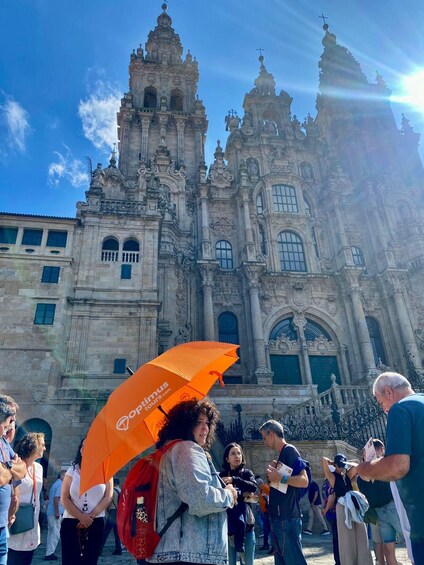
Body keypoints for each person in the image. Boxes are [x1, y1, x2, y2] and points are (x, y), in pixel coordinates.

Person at [146, 397, 238, 565]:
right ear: (185, 425)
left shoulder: (171, 451)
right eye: (198, 422)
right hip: (190, 553)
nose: (205, 428)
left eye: (207, 422)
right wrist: (229, 494)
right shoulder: (185, 449)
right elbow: (200, 499)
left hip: (179, 551)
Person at [356, 371, 424, 563]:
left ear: (389, 392)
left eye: (380, 402)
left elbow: (397, 467)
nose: (384, 409)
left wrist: (364, 469)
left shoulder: (401, 409)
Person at [259, 419, 309, 565]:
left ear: (272, 434)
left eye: (264, 437)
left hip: (286, 519)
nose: (264, 441)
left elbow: (303, 480)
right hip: (279, 519)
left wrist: (280, 477)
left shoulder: (289, 450)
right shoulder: (282, 454)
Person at [60, 438, 113, 565]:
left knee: (90, 560)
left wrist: (89, 518)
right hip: (71, 521)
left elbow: (108, 496)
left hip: (95, 522)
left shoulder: (106, 470)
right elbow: (64, 497)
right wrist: (81, 517)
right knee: (70, 561)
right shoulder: (72, 470)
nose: (86, 448)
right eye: (83, 445)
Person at [357, 439, 403, 565]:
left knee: (388, 546)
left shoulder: (362, 472)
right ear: (381, 449)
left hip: (378, 511)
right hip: (391, 507)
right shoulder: (382, 467)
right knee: (411, 540)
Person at [322, 454, 373, 565]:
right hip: (343, 507)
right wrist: (332, 462)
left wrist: (345, 462)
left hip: (353, 506)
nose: (342, 468)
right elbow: (323, 460)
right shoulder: (333, 477)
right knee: (346, 538)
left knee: (360, 535)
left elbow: (357, 463)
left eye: (343, 466)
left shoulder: (347, 475)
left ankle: (362, 561)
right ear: (335, 465)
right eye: (340, 466)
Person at [7, 432, 46, 565]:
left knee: (27, 557)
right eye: (42, 445)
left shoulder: (39, 468)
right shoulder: (17, 466)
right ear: (33, 446)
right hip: (16, 516)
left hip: (32, 519)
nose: (45, 448)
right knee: (13, 556)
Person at [220, 443, 257, 565]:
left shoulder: (246, 473)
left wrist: (235, 481)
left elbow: (253, 487)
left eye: (239, 453)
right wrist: (242, 494)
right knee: (230, 562)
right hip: (229, 526)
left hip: (246, 526)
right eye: (233, 453)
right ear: (227, 458)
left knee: (247, 562)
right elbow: (220, 496)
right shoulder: (222, 476)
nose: (237, 456)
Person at [0, 401, 26, 565]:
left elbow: (22, 468)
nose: (11, 427)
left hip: (1, 526)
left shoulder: (3, 443)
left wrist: (7, 467)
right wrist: (12, 468)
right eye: (11, 421)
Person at [44, 470, 66, 561]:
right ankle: (50, 553)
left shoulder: (56, 484)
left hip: (51, 512)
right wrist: (57, 512)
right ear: (62, 476)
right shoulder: (60, 484)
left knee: (51, 533)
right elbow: (56, 499)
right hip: (55, 513)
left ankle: (48, 552)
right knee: (55, 533)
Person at [100, 477, 122, 556]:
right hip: (119, 512)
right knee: (117, 532)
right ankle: (118, 549)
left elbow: (108, 501)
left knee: (106, 531)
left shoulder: (112, 491)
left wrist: (105, 510)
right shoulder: (120, 491)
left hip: (112, 511)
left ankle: (100, 550)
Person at [321, 471, 340, 565]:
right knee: (338, 539)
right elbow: (331, 496)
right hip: (335, 513)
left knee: (336, 539)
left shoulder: (326, 482)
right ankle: (339, 561)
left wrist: (325, 509)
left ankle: (338, 561)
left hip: (331, 514)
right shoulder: (332, 482)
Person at [257, 477, 272, 552]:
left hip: (267, 512)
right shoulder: (262, 489)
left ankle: (269, 546)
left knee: (268, 529)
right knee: (266, 530)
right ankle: (266, 544)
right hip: (264, 511)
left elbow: (268, 499)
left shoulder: (265, 488)